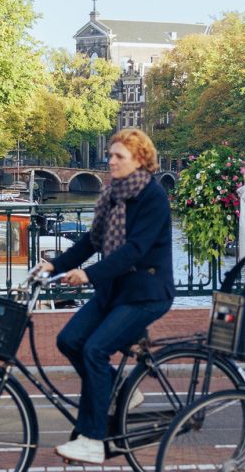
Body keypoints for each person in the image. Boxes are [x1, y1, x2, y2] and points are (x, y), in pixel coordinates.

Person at [32, 129, 174, 465]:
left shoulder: (152, 196)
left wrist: (89, 274)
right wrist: (52, 266)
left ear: (140, 159)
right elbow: (90, 242)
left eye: (118, 156)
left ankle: (93, 440)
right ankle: (122, 391)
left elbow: (135, 249)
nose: (110, 161)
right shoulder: (111, 195)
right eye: (110, 155)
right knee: (69, 340)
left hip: (146, 293)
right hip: (116, 291)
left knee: (95, 350)